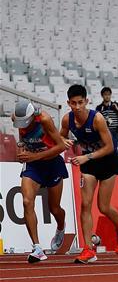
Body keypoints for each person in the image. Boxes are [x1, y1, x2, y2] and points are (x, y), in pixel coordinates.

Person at [60, 84, 118, 264]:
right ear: (68, 103)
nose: (77, 107)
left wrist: (87, 156)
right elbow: (59, 137)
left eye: (80, 102)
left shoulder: (97, 118)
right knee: (85, 205)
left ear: (86, 101)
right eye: (73, 103)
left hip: (106, 161)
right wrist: (64, 140)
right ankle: (89, 249)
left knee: (103, 207)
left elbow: (109, 147)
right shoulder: (67, 119)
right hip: (88, 164)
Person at [12, 101, 68, 263]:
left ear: (33, 116)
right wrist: (21, 150)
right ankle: (37, 248)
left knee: (54, 208)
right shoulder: (16, 117)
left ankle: (61, 227)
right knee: (26, 201)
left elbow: (60, 147)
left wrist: (34, 156)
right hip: (33, 165)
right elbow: (22, 136)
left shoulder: (44, 119)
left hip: (52, 163)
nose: (23, 125)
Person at [95, 87, 118, 157]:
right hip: (104, 133)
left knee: (114, 153)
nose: (107, 96)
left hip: (115, 133)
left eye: (109, 94)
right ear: (102, 96)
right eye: (105, 94)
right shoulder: (99, 107)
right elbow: (96, 119)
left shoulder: (116, 105)